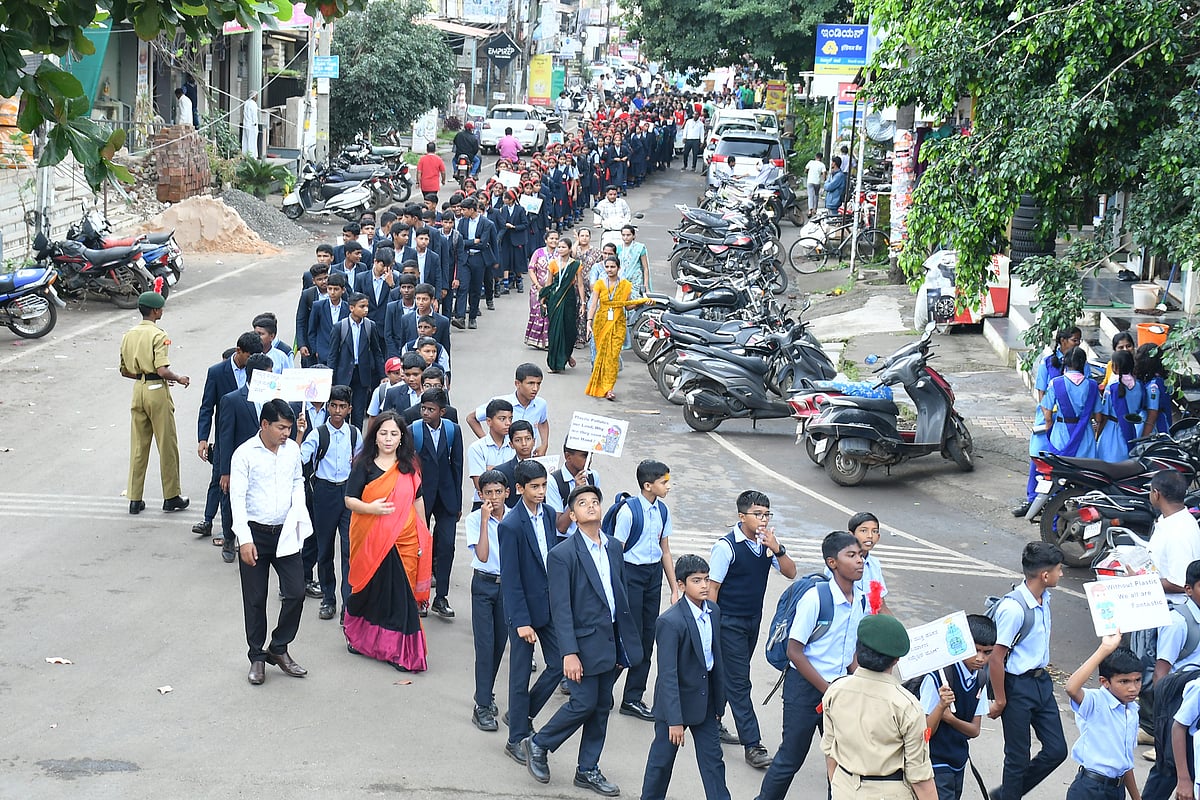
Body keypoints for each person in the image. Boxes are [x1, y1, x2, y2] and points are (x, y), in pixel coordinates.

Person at [521, 484, 643, 797]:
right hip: (581, 643)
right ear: (573, 516)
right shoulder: (562, 555)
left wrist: (622, 644)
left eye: (595, 502)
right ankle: (538, 743)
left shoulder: (614, 547)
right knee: (584, 702)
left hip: (609, 641)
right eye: (583, 503)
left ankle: (587, 769)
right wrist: (569, 653)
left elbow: (619, 596)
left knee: (602, 705)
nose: (591, 506)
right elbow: (560, 609)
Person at [756, 531, 866, 800]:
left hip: (839, 689)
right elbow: (795, 651)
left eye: (861, 555)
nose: (859, 561)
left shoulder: (859, 599)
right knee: (790, 758)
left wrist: (859, 680)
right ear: (832, 563)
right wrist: (826, 689)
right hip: (805, 689)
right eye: (850, 556)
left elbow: (851, 649)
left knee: (841, 762)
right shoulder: (817, 598)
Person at [709, 490, 798, 770]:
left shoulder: (765, 544)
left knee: (729, 674)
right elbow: (713, 590)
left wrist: (777, 547)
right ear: (741, 516)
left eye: (766, 514)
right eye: (757, 514)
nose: (763, 519)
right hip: (728, 622)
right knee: (739, 682)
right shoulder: (726, 547)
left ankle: (714, 720)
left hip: (752, 620)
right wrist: (708, 627)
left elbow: (791, 572)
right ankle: (753, 744)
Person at [230, 399, 311, 686]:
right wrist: (244, 539)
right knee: (255, 599)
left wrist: (298, 513)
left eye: (289, 428)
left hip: (286, 532)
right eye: (281, 427)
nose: (286, 434)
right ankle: (256, 657)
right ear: (264, 424)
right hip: (255, 533)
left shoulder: (292, 451)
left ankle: (278, 648)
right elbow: (237, 499)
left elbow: (297, 481)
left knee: (296, 592)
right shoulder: (244, 455)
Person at [343, 410, 431, 672]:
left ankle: (402, 653)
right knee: (371, 594)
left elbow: (417, 499)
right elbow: (349, 499)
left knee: (402, 599)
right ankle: (361, 639)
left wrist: (423, 533)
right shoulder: (365, 464)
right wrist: (372, 509)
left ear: (402, 437)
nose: (389, 439)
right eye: (383, 433)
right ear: (375, 436)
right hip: (372, 541)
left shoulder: (410, 466)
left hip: (404, 540)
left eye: (394, 434)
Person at [640, 554, 730, 800]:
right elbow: (668, 675)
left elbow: (716, 660)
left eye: (706, 579)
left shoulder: (713, 611)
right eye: (696, 580)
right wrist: (675, 721)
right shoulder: (670, 622)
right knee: (661, 764)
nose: (704, 585)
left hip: (706, 702)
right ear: (681, 585)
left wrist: (718, 703)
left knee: (713, 764)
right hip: (675, 706)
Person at [820, 614, 938, 800]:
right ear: (896, 659)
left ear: (857, 650)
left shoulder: (835, 690)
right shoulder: (906, 705)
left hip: (843, 787)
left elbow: (830, 752)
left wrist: (840, 787)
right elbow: (920, 777)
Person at [987, 541, 1068, 800]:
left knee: (1057, 749)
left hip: (1041, 682)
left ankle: (1005, 795)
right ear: (1045, 575)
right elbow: (996, 658)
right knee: (1017, 757)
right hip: (1016, 686)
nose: (1062, 574)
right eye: (1058, 570)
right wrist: (1000, 699)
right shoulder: (1013, 609)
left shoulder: (1045, 598)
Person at [500, 460, 564, 764]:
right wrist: (522, 622)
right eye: (534, 487)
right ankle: (515, 739)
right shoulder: (510, 525)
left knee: (560, 663)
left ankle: (521, 713)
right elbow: (511, 579)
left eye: (543, 486)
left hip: (549, 607)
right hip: (523, 610)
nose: (540, 492)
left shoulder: (550, 514)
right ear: (520, 489)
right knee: (520, 674)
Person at [611, 459, 677, 723]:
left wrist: (674, 587)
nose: (668, 486)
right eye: (664, 482)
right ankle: (602, 687)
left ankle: (632, 698)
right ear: (648, 485)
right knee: (629, 635)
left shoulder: (662, 511)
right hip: (630, 575)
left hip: (652, 576)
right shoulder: (629, 512)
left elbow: (665, 550)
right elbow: (616, 551)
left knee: (648, 636)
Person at [119, 290, 190, 515]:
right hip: (157, 390)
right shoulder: (159, 335)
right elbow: (161, 369)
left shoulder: (129, 334)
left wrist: (143, 377)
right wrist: (178, 378)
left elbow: (124, 370)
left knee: (139, 447)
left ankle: (134, 498)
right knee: (166, 445)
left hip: (138, 389)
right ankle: (171, 496)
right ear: (156, 310)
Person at [917, 615, 996, 800]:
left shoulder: (980, 679)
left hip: (958, 761)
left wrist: (950, 718)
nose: (980, 658)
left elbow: (974, 730)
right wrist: (940, 708)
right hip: (934, 762)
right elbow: (924, 732)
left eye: (987, 652)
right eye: (975, 650)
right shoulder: (937, 678)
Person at [300, 385, 360, 622]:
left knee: (348, 550)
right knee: (324, 549)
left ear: (349, 409)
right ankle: (328, 598)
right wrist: (299, 433)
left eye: (342, 407)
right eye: (333, 406)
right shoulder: (318, 433)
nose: (337, 411)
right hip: (324, 493)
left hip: (347, 493)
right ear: (328, 407)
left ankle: (347, 602)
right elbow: (301, 458)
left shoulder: (354, 434)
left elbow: (362, 461)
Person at [1063, 636, 1142, 800]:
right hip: (1090, 790)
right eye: (1124, 681)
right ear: (1105, 682)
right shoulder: (1096, 701)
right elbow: (1071, 688)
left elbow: (1125, 762)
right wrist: (1104, 649)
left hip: (1116, 791)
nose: (1133, 688)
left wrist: (1136, 797)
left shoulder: (1132, 711)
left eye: (1137, 680)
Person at [1013, 326, 1081, 517]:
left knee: (1062, 462)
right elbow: (1041, 392)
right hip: (1048, 418)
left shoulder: (1080, 362)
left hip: (1069, 422)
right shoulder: (1048, 363)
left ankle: (1057, 503)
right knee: (1038, 457)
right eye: (1074, 340)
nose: (1077, 344)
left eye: (1078, 341)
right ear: (1062, 341)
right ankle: (1033, 499)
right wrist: (1048, 414)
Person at [410, 388, 462, 619]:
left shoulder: (453, 431)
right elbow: (409, 468)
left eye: (431, 409)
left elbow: (457, 467)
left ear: (442, 411)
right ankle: (419, 597)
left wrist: (458, 502)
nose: (426, 413)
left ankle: (441, 597)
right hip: (422, 497)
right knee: (420, 546)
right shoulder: (414, 431)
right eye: (423, 408)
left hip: (447, 496)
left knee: (447, 545)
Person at [467, 469, 509, 731]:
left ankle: (487, 691)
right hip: (483, 585)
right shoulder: (475, 519)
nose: (494, 498)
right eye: (488, 493)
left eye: (498, 492)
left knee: (498, 645)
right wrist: (484, 521)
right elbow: (482, 555)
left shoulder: (515, 519)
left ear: (506, 492)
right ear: (480, 494)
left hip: (508, 589)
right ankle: (481, 705)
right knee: (484, 646)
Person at [585, 255, 653, 401]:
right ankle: (600, 386)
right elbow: (593, 304)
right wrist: (589, 321)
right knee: (601, 356)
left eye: (612, 267)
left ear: (618, 268)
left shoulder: (625, 285)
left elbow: (627, 306)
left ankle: (609, 388)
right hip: (601, 323)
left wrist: (641, 302)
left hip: (618, 324)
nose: (609, 269)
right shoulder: (599, 284)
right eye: (607, 267)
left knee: (613, 357)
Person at [328, 293, 386, 428]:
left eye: (367, 306)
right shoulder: (340, 327)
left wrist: (382, 375)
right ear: (352, 308)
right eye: (362, 306)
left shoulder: (370, 326)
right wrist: (330, 378)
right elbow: (333, 355)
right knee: (342, 412)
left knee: (358, 414)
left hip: (362, 376)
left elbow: (377, 352)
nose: (366, 309)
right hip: (343, 376)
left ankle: (356, 444)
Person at [469, 363, 550, 456]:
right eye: (530, 383)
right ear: (517, 383)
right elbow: (471, 418)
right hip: (503, 460)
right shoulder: (501, 403)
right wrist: (487, 441)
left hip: (528, 458)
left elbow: (543, 422)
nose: (535, 388)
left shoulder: (541, 404)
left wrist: (544, 444)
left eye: (538, 384)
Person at [1149, 469, 1200, 603]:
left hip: (1175, 607)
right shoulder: (1170, 520)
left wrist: (1139, 582)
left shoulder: (1179, 532)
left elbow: (1179, 582)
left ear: (1156, 494)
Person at [1041, 347, 1100, 459]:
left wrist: (1049, 428)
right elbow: (1098, 417)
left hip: (1060, 434)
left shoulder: (1055, 383)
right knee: (1084, 472)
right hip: (1085, 434)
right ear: (1084, 363)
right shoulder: (1092, 385)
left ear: (1065, 362)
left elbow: (1047, 416)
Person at [455, 198, 499, 329]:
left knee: (475, 289)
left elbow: (483, 243)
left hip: (479, 259)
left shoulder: (487, 224)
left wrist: (471, 243)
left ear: (472, 210)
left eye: (464, 209)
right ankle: (460, 317)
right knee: (463, 287)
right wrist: (473, 241)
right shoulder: (462, 222)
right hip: (465, 258)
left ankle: (472, 317)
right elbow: (460, 241)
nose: (461, 212)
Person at [1095, 349, 1146, 462]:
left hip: (1113, 430)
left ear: (1115, 367)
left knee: (1107, 462)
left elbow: (1104, 416)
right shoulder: (1140, 386)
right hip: (1132, 429)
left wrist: (1097, 435)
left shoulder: (1112, 387)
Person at [542, 235, 583, 373]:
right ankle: (555, 364)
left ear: (570, 249)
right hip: (554, 298)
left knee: (569, 329)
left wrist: (583, 303)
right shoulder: (553, 263)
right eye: (559, 247)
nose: (560, 249)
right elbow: (548, 283)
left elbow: (580, 285)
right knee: (555, 330)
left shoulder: (576, 265)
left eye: (563, 247)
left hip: (569, 298)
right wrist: (544, 299)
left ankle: (566, 354)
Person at [467, 399, 515, 506]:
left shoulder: (514, 445)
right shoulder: (477, 448)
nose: (508, 423)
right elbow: (480, 483)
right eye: (502, 419)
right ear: (489, 421)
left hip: (511, 501)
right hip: (484, 503)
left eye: (510, 419)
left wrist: (492, 470)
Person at [847, 511, 892, 615]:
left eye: (874, 531)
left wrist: (899, 630)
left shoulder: (874, 564)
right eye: (863, 531)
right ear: (851, 535)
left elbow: (880, 605)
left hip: (869, 625)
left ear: (878, 537)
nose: (870, 536)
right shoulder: (841, 563)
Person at [524, 230, 559, 350]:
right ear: (546, 240)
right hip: (537, 289)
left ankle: (548, 341)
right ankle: (535, 340)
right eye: (551, 238)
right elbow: (531, 269)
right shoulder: (538, 252)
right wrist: (538, 285)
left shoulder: (560, 254)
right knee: (538, 313)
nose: (554, 241)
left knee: (550, 315)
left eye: (556, 239)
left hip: (554, 290)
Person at [307, 272, 350, 366]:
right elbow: (312, 330)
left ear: (343, 290)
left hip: (343, 355)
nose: (332, 292)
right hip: (323, 354)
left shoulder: (348, 308)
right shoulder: (318, 306)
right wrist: (316, 350)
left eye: (336, 289)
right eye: (330, 289)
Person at [495, 420, 537, 510]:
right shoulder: (501, 472)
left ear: (534, 441)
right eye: (518, 440)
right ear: (511, 444)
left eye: (528, 439)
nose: (524, 443)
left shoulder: (544, 468)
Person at [497, 190, 529, 293]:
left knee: (517, 262)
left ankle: (519, 282)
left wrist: (514, 227)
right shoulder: (503, 209)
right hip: (506, 239)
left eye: (506, 198)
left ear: (511, 199)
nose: (504, 200)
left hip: (517, 239)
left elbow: (525, 224)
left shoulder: (520, 210)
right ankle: (506, 284)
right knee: (506, 261)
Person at [1138, 343, 1174, 435]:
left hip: (1155, 429)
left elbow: (1152, 414)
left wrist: (1143, 437)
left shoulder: (1152, 386)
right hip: (1164, 421)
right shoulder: (1164, 380)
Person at [804, 152, 826, 217]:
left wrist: (808, 172)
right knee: (816, 195)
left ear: (815, 157)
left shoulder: (810, 162)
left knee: (810, 195)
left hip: (810, 181)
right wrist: (824, 180)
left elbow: (805, 170)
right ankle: (815, 209)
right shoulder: (822, 165)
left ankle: (810, 210)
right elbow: (824, 173)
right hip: (817, 182)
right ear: (821, 158)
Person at [240, 92, 259, 156]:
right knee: (252, 141)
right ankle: (252, 156)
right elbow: (254, 115)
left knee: (245, 140)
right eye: (257, 96)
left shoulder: (246, 103)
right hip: (252, 125)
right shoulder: (253, 104)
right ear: (254, 96)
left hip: (246, 124)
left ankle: (244, 154)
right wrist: (255, 123)